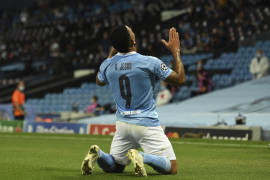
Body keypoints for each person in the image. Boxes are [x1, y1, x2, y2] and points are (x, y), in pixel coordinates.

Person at [81, 26, 185, 176]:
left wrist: (112, 55)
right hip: (146, 124)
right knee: (172, 167)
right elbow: (180, 79)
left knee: (116, 166)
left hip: (123, 125)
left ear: (115, 47)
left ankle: (99, 154)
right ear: (133, 41)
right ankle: (141, 156)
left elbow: (99, 81)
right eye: (132, 32)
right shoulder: (149, 61)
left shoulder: (107, 65)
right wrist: (175, 51)